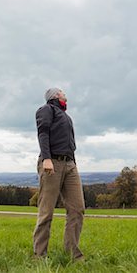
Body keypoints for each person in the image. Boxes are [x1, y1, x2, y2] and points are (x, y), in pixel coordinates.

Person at [33, 88, 85, 261]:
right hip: (52, 163)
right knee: (46, 211)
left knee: (77, 209)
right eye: (62, 92)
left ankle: (72, 254)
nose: (65, 94)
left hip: (69, 164)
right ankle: (39, 255)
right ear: (55, 96)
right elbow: (43, 133)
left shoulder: (66, 117)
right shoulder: (46, 110)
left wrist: (73, 163)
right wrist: (46, 158)